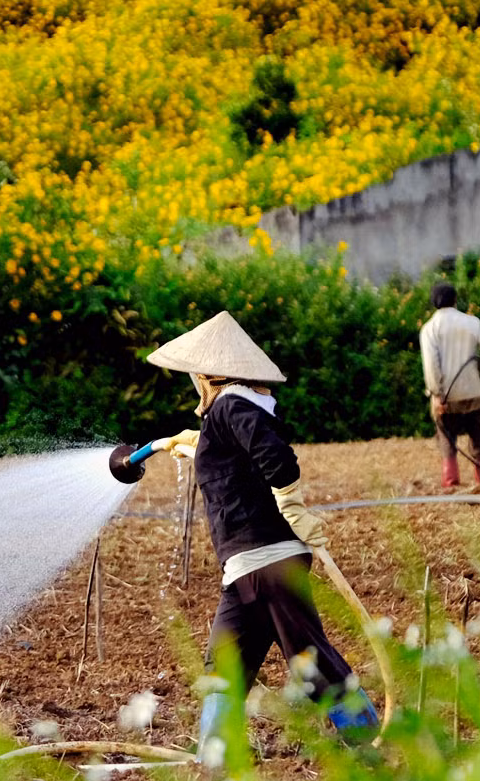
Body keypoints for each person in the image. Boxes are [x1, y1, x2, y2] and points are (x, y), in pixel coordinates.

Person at [144, 311, 378, 748]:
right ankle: (216, 753)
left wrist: (292, 504)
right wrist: (196, 445)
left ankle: (366, 738)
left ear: (207, 375)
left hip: (268, 561)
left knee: (309, 660)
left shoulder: (231, 405)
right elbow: (238, 464)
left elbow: (274, 456)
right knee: (225, 662)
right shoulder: (230, 412)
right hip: (243, 568)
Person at [420, 282, 480, 489]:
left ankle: (451, 482)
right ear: (455, 300)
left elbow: (431, 366)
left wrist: (437, 395)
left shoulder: (429, 329)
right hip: (473, 392)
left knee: (447, 440)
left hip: (447, 396)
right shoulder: (472, 322)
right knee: (477, 439)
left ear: (434, 302)